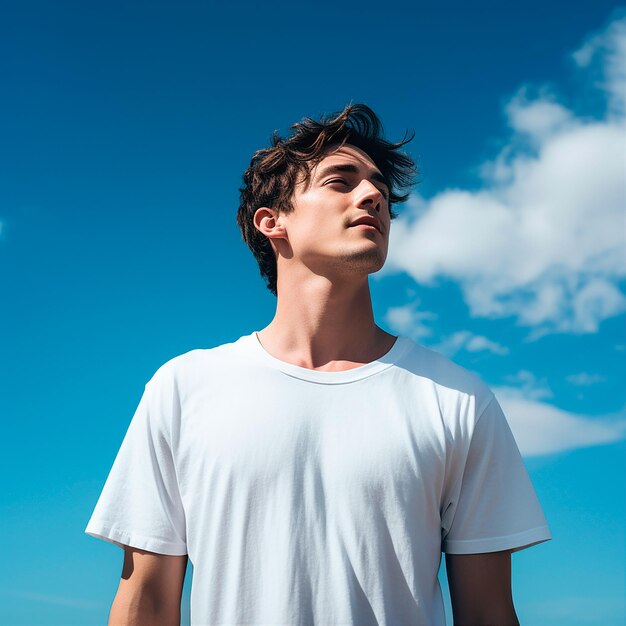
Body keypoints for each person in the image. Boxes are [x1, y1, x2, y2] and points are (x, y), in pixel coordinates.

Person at [85, 104, 551, 625]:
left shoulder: (458, 399)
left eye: (378, 188)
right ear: (272, 220)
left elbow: (488, 612)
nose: (373, 196)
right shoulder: (184, 388)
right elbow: (145, 600)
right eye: (340, 181)